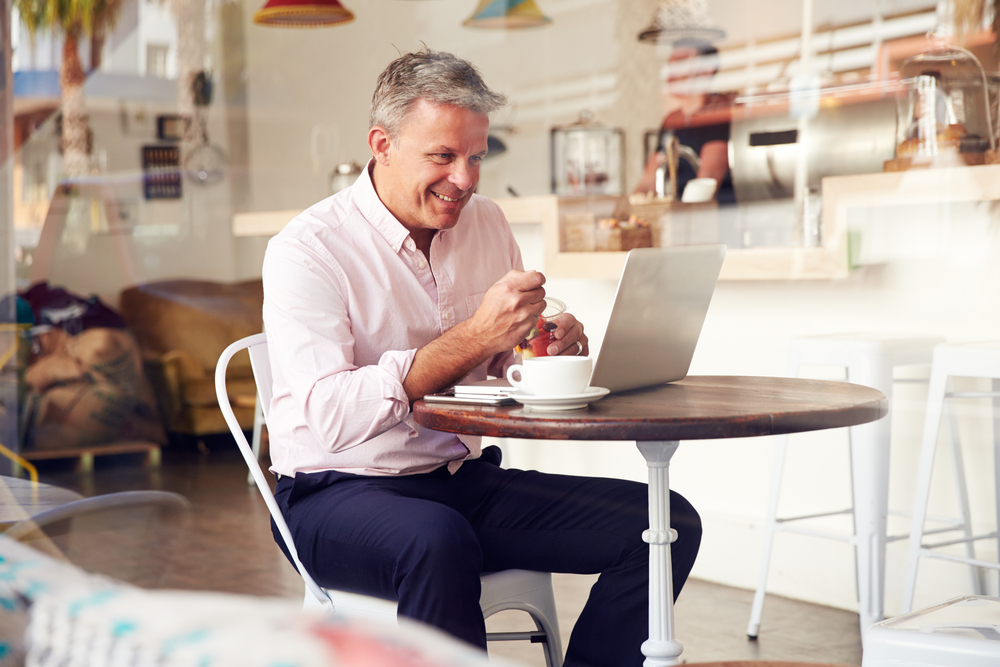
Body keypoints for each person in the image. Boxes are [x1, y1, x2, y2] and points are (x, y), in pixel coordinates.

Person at [261, 48, 701, 667]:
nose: (465, 179)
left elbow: (498, 369)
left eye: (476, 156)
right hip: (334, 494)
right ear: (381, 144)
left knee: (665, 525)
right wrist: (476, 335)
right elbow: (331, 418)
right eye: (442, 156)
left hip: (460, 483)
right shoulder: (307, 250)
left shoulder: (487, 224)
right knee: (435, 541)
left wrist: (537, 344)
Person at [634, 43, 735, 204]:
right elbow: (648, 181)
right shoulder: (672, 121)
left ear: (706, 70)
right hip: (680, 215)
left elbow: (706, 184)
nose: (670, 70)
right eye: (670, 63)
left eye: (680, 62)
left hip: (711, 221)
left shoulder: (718, 114)